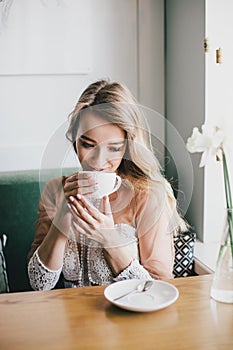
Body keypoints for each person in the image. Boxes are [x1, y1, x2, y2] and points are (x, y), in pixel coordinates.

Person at [28, 79, 186, 290]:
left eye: (113, 148)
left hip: (129, 319)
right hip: (69, 321)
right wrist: (62, 219)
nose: (98, 162)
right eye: (87, 144)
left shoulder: (147, 195)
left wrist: (109, 239)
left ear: (127, 148)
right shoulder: (55, 190)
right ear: (75, 139)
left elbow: (158, 288)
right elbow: (39, 285)